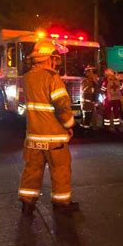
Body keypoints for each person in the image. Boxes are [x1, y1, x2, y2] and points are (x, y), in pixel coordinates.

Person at [18, 40, 78, 216]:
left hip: (34, 136)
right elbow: (62, 105)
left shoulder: (27, 78)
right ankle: (61, 204)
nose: (55, 61)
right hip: (53, 137)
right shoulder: (52, 77)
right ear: (48, 58)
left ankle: (27, 203)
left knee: (32, 169)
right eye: (54, 58)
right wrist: (69, 125)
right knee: (60, 169)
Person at [80, 65, 98, 131]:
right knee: (87, 117)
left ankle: (87, 129)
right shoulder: (85, 81)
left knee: (89, 117)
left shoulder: (92, 82)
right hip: (87, 103)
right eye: (94, 72)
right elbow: (87, 91)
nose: (95, 74)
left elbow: (95, 91)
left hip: (90, 102)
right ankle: (85, 130)